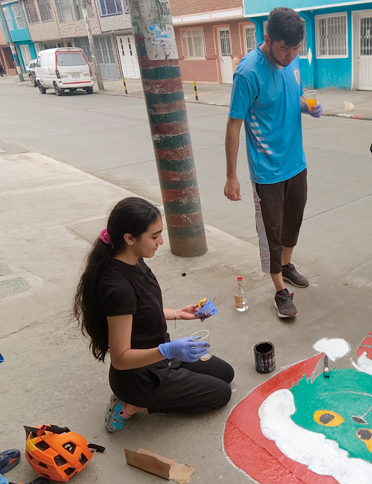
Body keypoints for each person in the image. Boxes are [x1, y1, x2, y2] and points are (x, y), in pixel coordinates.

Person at [73, 197, 234, 433]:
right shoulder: (117, 288)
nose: (160, 241)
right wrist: (166, 351)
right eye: (154, 235)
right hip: (140, 376)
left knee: (225, 373)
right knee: (221, 393)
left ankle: (173, 376)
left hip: (161, 355)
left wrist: (181, 313)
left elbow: (141, 311)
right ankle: (131, 406)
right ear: (129, 238)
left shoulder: (134, 260)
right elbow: (120, 358)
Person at [224, 7, 323, 319]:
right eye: (285, 48)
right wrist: (232, 176)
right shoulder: (248, 72)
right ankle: (280, 289)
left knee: (293, 223)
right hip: (267, 171)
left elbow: (290, 97)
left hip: (297, 163)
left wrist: (308, 106)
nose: (292, 54)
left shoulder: (292, 64)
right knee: (272, 232)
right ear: (267, 38)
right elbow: (233, 126)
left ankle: (286, 265)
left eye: (297, 48)